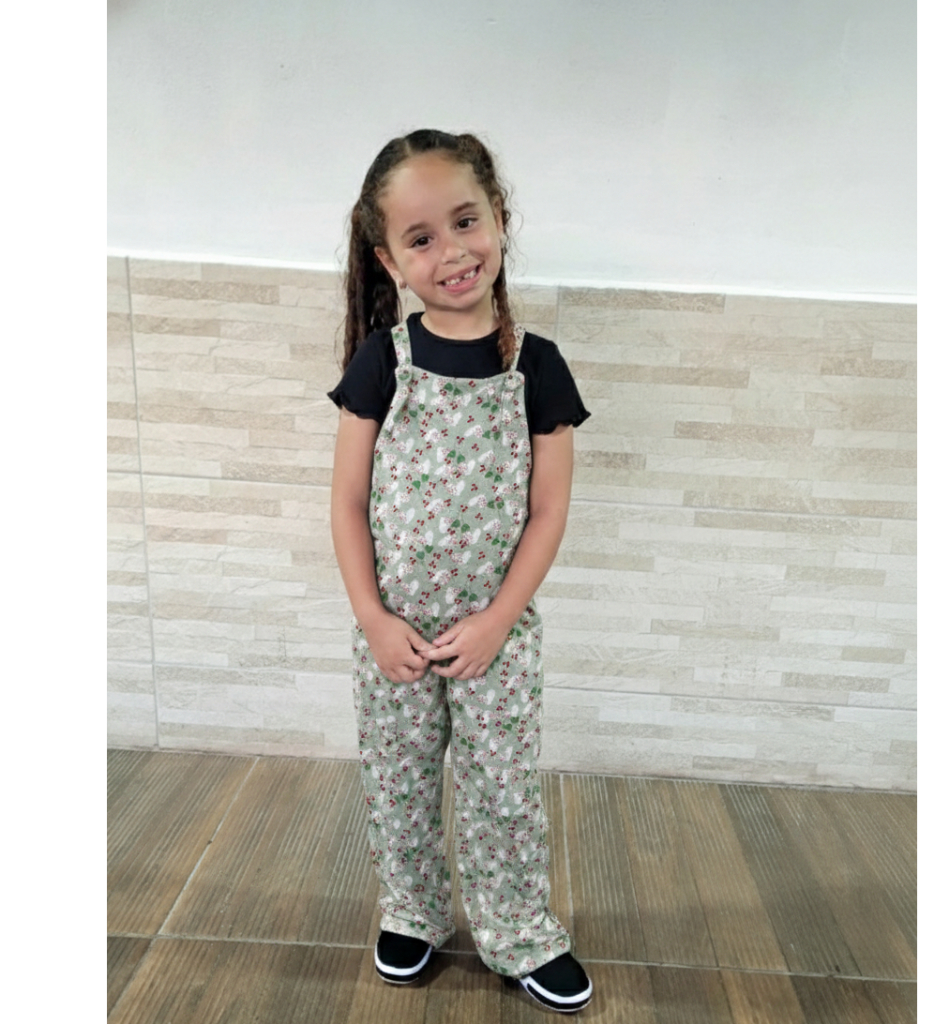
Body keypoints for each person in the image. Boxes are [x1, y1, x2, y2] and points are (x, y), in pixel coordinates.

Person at [328, 129, 593, 1013]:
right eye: (421, 237)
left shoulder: (535, 368)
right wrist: (373, 618)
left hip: (496, 638)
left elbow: (548, 512)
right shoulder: (383, 363)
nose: (452, 252)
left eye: (466, 221)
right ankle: (412, 911)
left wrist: (496, 621)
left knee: (502, 790)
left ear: (500, 219)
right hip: (394, 638)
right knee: (397, 782)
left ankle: (519, 930)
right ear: (389, 259)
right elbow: (347, 504)